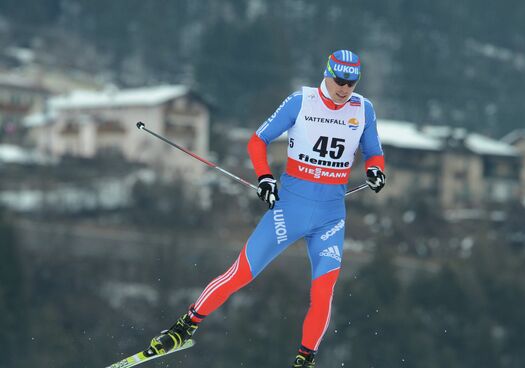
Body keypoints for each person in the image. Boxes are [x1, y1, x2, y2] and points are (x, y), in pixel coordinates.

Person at [149, 49, 386, 368]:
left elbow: (374, 151)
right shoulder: (299, 102)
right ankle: (184, 326)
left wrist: (375, 170)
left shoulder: (364, 109)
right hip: (289, 212)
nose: (344, 88)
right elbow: (257, 141)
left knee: (324, 292)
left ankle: (305, 360)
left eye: (351, 83)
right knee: (240, 273)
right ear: (327, 74)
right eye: (340, 80)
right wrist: (264, 177)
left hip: (330, 217)